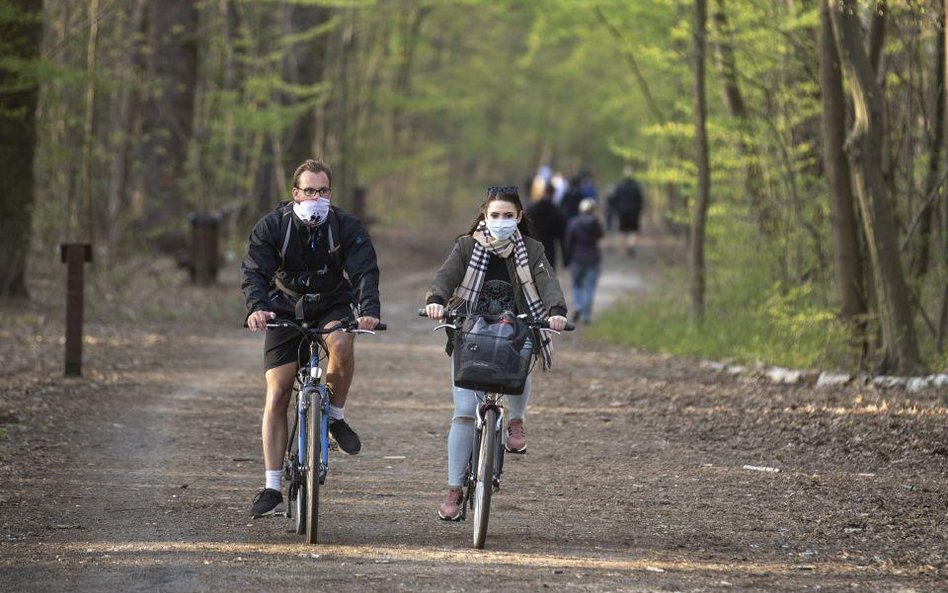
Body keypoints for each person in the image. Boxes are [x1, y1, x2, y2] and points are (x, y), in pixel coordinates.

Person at [241, 158, 381, 519]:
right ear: (295, 193)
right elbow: (254, 271)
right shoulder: (273, 226)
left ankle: (334, 415)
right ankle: (272, 486)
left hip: (332, 303)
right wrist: (257, 307)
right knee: (278, 390)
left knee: (342, 343)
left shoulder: (345, 225)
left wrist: (369, 308)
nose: (316, 197)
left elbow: (365, 269)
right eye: (309, 191)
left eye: (323, 191)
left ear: (330, 193)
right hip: (283, 306)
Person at [424, 185, 568, 521]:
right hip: (471, 334)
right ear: (484, 217)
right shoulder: (466, 246)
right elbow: (446, 277)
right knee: (462, 413)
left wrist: (556, 309)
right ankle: (455, 489)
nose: (501, 221)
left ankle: (515, 421)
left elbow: (547, 280)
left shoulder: (531, 249)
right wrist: (435, 300)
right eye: (494, 215)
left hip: (514, 331)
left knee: (525, 352)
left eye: (508, 216)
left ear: (519, 217)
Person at [564, 198, 604, 324]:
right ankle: (586, 316)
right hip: (593, 258)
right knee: (589, 288)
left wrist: (567, 258)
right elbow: (601, 235)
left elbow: (568, 242)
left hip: (577, 258)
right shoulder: (595, 223)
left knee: (577, 285)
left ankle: (578, 305)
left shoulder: (573, 222)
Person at [525, 182, 566, 268]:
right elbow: (562, 237)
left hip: (533, 249)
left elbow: (525, 229)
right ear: (553, 193)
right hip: (549, 250)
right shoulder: (557, 212)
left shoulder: (532, 209)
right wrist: (565, 258)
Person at [607, 165, 644, 256]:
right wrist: (639, 210)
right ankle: (631, 246)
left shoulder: (619, 186)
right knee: (632, 230)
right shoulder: (636, 186)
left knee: (623, 230)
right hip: (633, 212)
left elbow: (613, 199)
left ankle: (625, 248)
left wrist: (616, 209)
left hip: (622, 211)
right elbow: (640, 199)